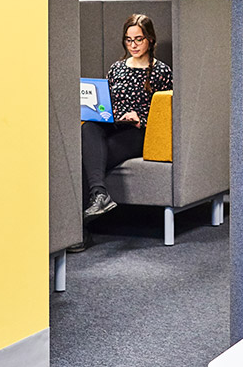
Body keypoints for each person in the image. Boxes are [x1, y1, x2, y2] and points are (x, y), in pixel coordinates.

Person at [71, 14, 173, 251]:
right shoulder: (117, 68)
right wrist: (103, 112)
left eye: (139, 39)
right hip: (114, 124)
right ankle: (99, 195)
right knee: (89, 129)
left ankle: (80, 231)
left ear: (150, 40)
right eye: (128, 40)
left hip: (139, 132)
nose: (134, 45)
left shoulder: (161, 72)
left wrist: (140, 118)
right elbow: (107, 102)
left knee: (90, 157)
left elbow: (166, 113)